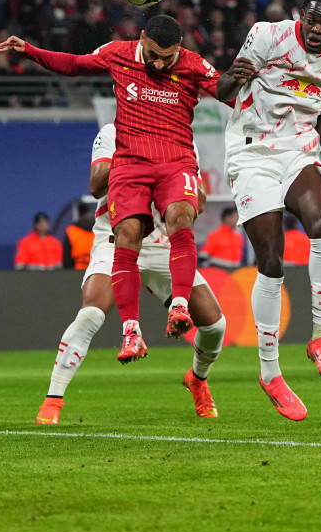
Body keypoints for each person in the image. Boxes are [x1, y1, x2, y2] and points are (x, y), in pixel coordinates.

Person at [0, 15, 237, 364]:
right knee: (127, 232)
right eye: (154, 54)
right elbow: (74, 65)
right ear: (141, 38)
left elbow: (229, 95)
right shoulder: (118, 53)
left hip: (175, 160)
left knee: (181, 217)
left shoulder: (192, 64)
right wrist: (31, 51)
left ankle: (179, 307)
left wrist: (246, 80)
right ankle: (131, 331)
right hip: (131, 162)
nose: (160, 63)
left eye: (168, 57)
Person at [215, 0, 321, 421]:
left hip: (299, 149)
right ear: (301, 15)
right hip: (251, 152)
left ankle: (320, 337)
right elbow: (221, 91)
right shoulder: (267, 36)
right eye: (311, 19)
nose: (316, 28)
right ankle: (271, 374)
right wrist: (237, 75)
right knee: (271, 261)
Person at [37, 124, 226, 424]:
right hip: (116, 238)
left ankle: (198, 379)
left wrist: (179, 183)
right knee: (91, 313)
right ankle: (53, 399)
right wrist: (142, 164)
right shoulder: (115, 132)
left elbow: (198, 199)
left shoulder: (182, 137)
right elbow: (96, 185)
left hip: (162, 244)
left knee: (216, 325)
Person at [62, 203, 96, 270]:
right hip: (96, 270)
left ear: (79, 216)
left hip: (78, 272)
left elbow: (67, 259)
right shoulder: (99, 229)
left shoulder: (71, 231)